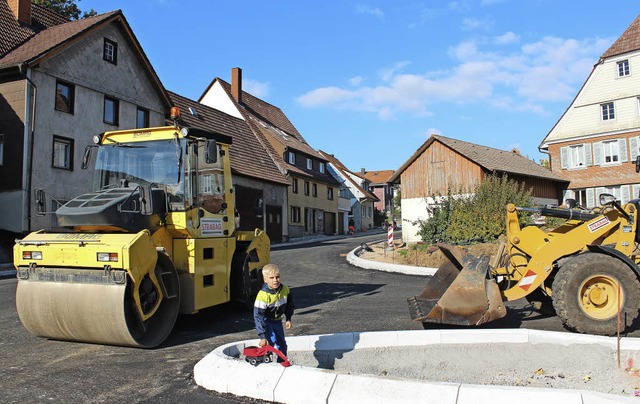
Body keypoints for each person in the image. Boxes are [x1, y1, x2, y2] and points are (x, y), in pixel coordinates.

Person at [254, 264, 294, 361]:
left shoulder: (285, 290)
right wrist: (262, 336)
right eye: (271, 278)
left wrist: (288, 318)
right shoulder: (263, 295)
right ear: (265, 280)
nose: (275, 280)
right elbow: (258, 316)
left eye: (277, 277)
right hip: (266, 320)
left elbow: (289, 306)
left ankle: (282, 361)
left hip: (277, 320)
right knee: (269, 341)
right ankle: (266, 360)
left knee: (281, 343)